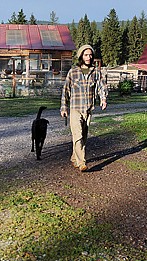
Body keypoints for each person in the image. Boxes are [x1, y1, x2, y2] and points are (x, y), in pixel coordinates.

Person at [60, 44, 108, 172]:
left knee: (84, 136)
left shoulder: (96, 72)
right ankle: (82, 162)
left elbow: (101, 86)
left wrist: (103, 99)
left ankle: (74, 157)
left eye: (90, 55)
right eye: (86, 55)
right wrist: (64, 107)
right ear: (81, 56)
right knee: (78, 135)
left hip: (88, 109)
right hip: (75, 108)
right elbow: (66, 90)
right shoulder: (73, 72)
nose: (89, 57)